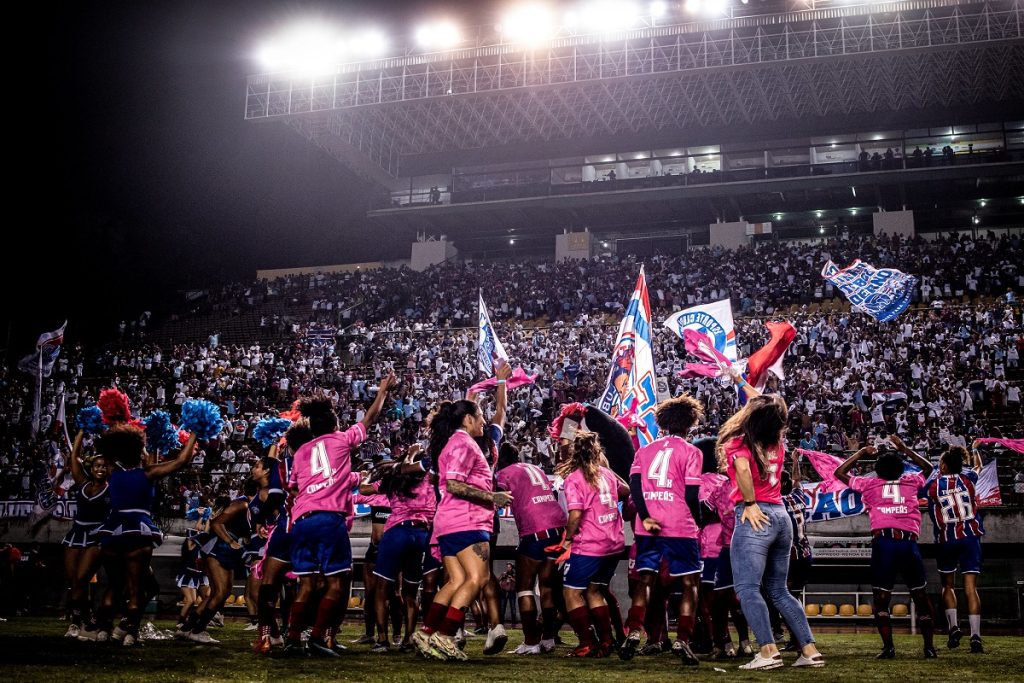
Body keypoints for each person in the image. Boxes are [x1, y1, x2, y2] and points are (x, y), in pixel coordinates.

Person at [284, 372, 396, 656]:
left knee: (306, 585)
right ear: (334, 424)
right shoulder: (342, 439)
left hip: (301, 521)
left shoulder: (299, 453)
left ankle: (293, 639)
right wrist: (382, 391)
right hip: (328, 519)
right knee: (338, 582)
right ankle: (319, 638)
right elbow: (369, 419)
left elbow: (294, 488)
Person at [716, 382, 823, 670]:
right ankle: (809, 650)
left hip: (756, 514)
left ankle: (767, 650)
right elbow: (770, 404)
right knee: (779, 590)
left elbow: (740, 468)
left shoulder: (739, 442)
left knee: (748, 588)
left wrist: (749, 504)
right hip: (780, 515)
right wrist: (739, 381)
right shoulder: (777, 441)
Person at [412, 399, 513, 662]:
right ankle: (445, 636)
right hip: (467, 521)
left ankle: (426, 631)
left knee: (455, 581)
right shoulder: (463, 443)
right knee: (478, 579)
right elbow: (455, 485)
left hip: (450, 522)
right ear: (467, 418)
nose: (483, 419)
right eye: (480, 414)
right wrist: (493, 497)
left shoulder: (454, 443)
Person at [82, 425, 199, 646]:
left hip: (113, 531)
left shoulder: (112, 472)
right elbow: (181, 461)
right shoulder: (148, 473)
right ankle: (129, 634)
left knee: (114, 585)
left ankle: (103, 631)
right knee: (136, 590)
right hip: (138, 530)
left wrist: (116, 427)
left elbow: (108, 451)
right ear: (137, 453)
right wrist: (195, 432)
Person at [620, 395, 705, 665]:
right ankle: (682, 639)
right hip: (680, 525)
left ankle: (634, 631)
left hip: (649, 527)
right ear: (690, 424)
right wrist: (699, 520)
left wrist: (645, 516)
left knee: (646, 580)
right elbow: (692, 495)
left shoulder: (644, 451)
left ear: (663, 423)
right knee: (690, 583)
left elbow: (634, 487)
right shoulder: (692, 452)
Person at [835, 436, 937, 659]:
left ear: (877, 470)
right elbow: (930, 467)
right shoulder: (910, 481)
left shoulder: (869, 484)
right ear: (900, 469)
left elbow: (839, 473)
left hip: (884, 543)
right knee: (920, 596)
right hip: (908, 543)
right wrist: (905, 448)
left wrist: (861, 452)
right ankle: (929, 647)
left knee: (881, 598)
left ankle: (888, 647)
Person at [557, 432, 630, 659]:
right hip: (614, 543)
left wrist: (568, 538)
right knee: (594, 590)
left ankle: (586, 643)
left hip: (590, 544)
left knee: (571, 592)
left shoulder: (575, 479)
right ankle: (606, 642)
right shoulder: (607, 474)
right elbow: (626, 490)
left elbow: (575, 515)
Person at [360, 443, 436, 653]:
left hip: (396, 532)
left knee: (382, 590)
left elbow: (364, 489)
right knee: (411, 593)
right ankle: (408, 639)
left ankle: (383, 640)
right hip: (422, 534)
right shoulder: (431, 478)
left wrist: (366, 476)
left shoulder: (394, 477)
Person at [495, 441, 567, 655]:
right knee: (547, 587)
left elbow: (496, 498)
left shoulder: (503, 474)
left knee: (524, 587)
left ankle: (530, 641)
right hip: (558, 528)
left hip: (535, 530)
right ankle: (548, 639)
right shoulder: (535, 468)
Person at [927, 442, 986, 654]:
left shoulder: (933, 485)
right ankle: (976, 636)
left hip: (946, 538)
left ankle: (953, 627)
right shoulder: (969, 477)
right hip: (970, 537)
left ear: (943, 465)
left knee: (948, 586)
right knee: (971, 588)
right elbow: (979, 467)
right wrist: (975, 450)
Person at [61, 431, 110, 638]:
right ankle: (79, 620)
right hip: (76, 532)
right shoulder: (82, 482)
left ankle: (87, 618)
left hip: (96, 535)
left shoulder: (111, 487)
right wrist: (81, 430)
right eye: (97, 465)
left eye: (104, 466)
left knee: (82, 579)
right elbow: (74, 457)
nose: (100, 469)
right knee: (73, 581)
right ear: (91, 467)